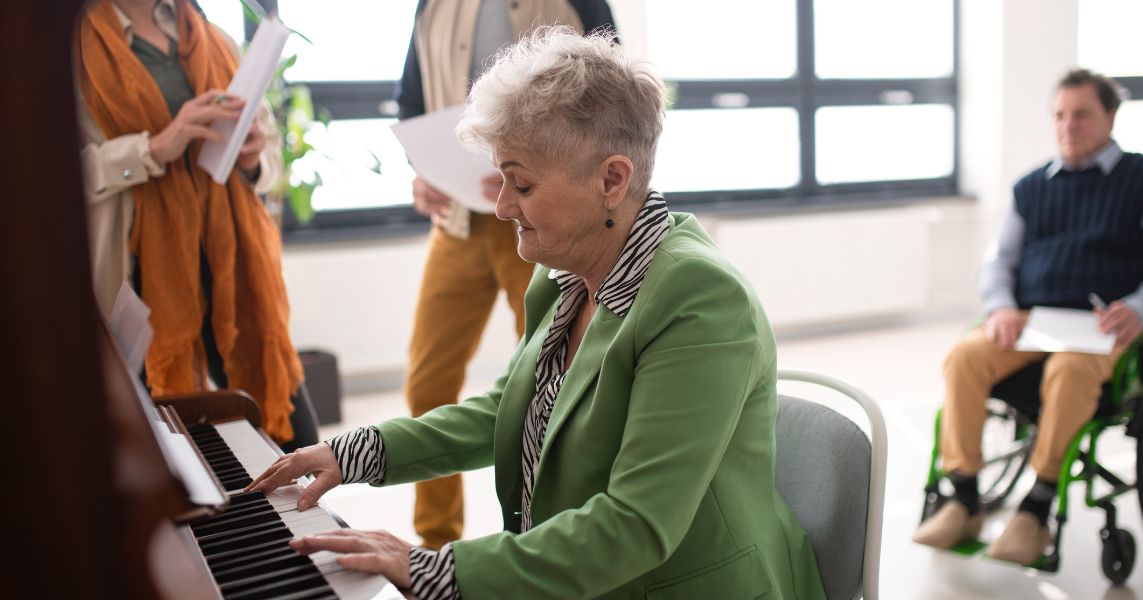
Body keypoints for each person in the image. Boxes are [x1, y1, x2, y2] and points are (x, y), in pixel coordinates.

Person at [248, 27, 827, 600]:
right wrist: (352, 453)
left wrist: (436, 569)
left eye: (520, 184)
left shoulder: (700, 300)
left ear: (612, 178)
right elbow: (508, 411)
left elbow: (637, 525)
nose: (501, 206)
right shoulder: (565, 273)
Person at [913, 69, 1143, 564]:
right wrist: (1001, 307)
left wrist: (1141, 305)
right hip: (1032, 319)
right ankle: (962, 494)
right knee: (965, 356)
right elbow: (998, 261)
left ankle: (1039, 503)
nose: (1069, 126)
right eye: (1060, 115)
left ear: (1110, 116)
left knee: (1070, 369)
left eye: (1083, 114)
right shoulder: (1031, 188)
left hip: (1105, 325)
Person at [394, 0, 617, 549]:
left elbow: (615, 103)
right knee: (428, 381)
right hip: (459, 222)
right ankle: (434, 545)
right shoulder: (433, 6)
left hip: (551, 220)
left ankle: (548, 534)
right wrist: (422, 175)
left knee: (557, 379)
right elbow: (412, 103)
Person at [76, 0, 318, 450]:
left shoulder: (211, 36)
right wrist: (155, 148)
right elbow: (50, 173)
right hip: (140, 271)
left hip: (229, 260)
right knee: (167, 440)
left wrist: (251, 157)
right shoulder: (73, 51)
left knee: (291, 427)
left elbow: (264, 146)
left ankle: (299, 513)